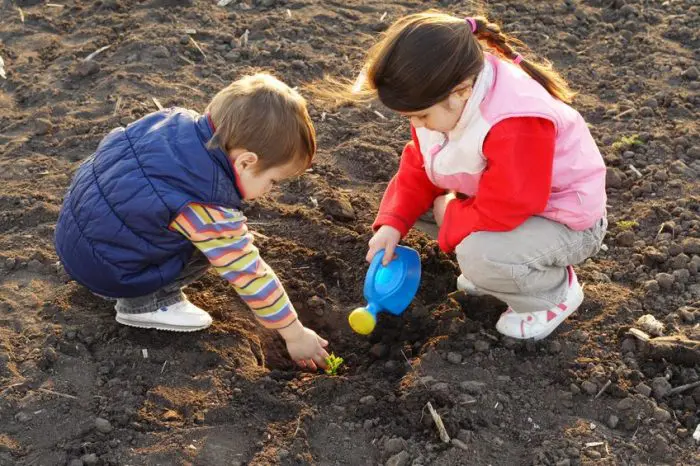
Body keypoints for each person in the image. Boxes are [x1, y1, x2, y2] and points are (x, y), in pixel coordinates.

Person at [327, 12, 608, 340]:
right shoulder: (447, 98)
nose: (416, 125)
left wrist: (452, 219)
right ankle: (500, 271)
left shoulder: (514, 121)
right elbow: (420, 163)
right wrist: (393, 223)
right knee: (416, 207)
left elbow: (511, 203)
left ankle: (551, 295)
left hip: (566, 222)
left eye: (421, 116)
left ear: (459, 91)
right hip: (507, 201)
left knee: (479, 254)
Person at [55, 73, 330, 369]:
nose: (269, 192)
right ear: (246, 162)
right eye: (273, 181)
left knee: (181, 223)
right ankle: (143, 304)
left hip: (76, 235)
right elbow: (249, 272)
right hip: (107, 270)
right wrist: (294, 333)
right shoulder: (204, 203)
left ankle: (118, 270)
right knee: (219, 246)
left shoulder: (172, 123)